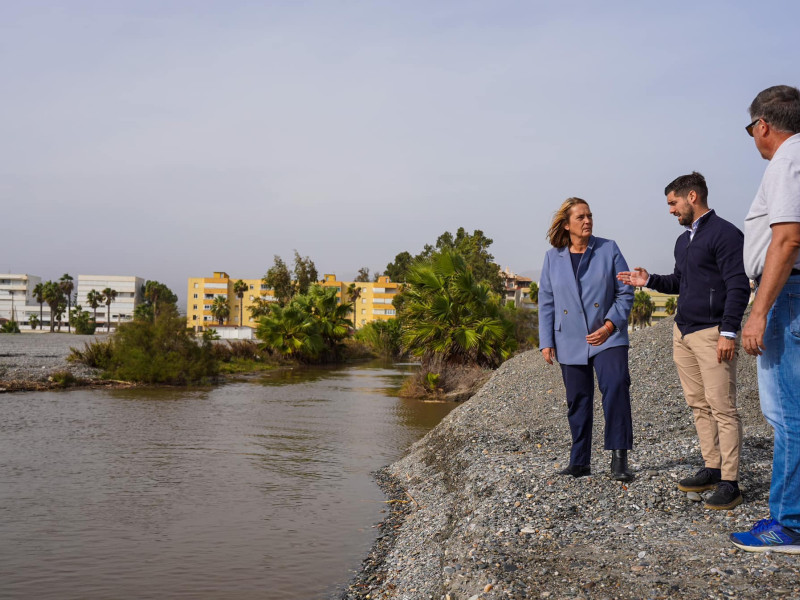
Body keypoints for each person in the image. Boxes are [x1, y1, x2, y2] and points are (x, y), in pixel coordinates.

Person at [617, 172, 750, 510]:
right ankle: (712, 467)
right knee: (698, 405)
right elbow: (681, 281)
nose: (671, 210)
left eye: (673, 203)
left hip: (713, 333)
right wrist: (649, 280)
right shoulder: (683, 241)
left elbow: (737, 284)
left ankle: (730, 482)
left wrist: (729, 331)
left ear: (692, 197)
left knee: (723, 408)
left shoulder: (726, 234)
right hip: (683, 332)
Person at [729, 85, 800, 553]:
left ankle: (787, 522)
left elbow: (787, 239)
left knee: (786, 413)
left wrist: (758, 313)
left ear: (762, 126)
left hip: (786, 294)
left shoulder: (786, 160)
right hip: (790, 292)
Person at [539, 197, 635, 481]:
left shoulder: (609, 249)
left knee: (616, 386)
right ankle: (580, 461)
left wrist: (608, 326)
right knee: (578, 399)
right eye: (580, 217)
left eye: (590, 215)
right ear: (566, 224)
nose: (587, 221)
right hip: (569, 337)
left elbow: (625, 292)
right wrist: (547, 341)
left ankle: (619, 458)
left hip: (608, 335)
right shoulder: (551, 257)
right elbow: (547, 301)